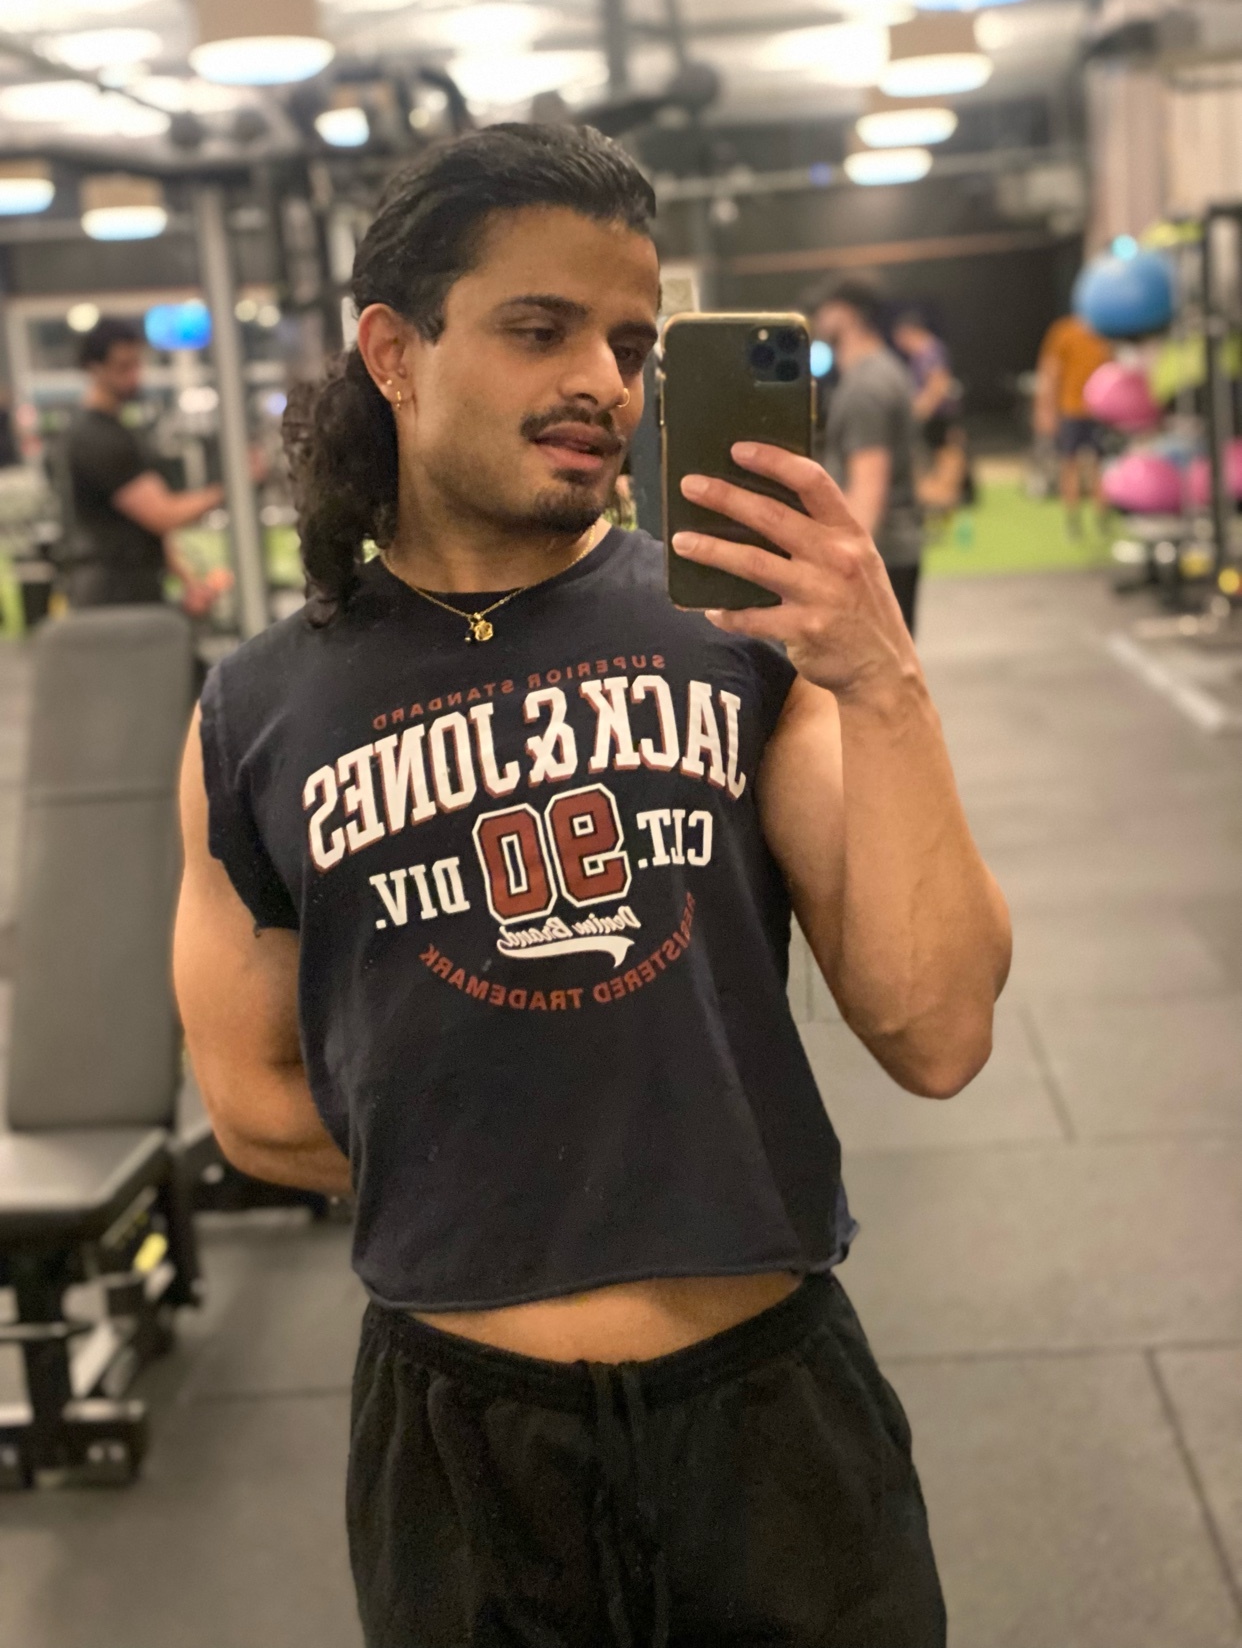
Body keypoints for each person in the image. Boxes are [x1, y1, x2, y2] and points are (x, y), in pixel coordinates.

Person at [175, 124, 1011, 1647]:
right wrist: (536, 1156)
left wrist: (882, 676)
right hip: (461, 1454)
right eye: (538, 329)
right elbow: (249, 1101)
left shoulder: (745, 646)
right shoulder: (257, 710)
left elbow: (939, 1029)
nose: (604, 385)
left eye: (628, 343)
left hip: (768, 1423)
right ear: (394, 351)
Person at [61, 317, 239, 611]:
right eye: (123, 367)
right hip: (111, 596)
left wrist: (189, 582)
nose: (134, 376)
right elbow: (162, 515)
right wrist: (234, 485)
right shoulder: (95, 438)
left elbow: (149, 528)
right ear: (94, 368)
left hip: (134, 588)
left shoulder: (117, 431)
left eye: (137, 364)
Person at [810, 280, 926, 633]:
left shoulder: (866, 386)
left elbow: (868, 488)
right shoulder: (884, 370)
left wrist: (845, 569)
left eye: (824, 310)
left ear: (846, 314)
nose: (818, 320)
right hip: (893, 550)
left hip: (881, 554)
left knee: (875, 665)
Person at [1034, 310, 1112, 536]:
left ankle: (1102, 519)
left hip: (1100, 411)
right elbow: (1050, 371)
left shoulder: (1106, 330)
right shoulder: (1064, 331)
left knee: (1101, 465)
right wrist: (1046, 409)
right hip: (1071, 410)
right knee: (1069, 464)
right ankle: (1073, 521)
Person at [891, 307, 971, 514]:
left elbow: (939, 383)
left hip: (940, 416)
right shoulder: (921, 353)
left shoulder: (930, 350)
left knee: (948, 456)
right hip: (934, 417)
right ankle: (936, 497)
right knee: (935, 458)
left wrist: (920, 410)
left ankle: (945, 498)